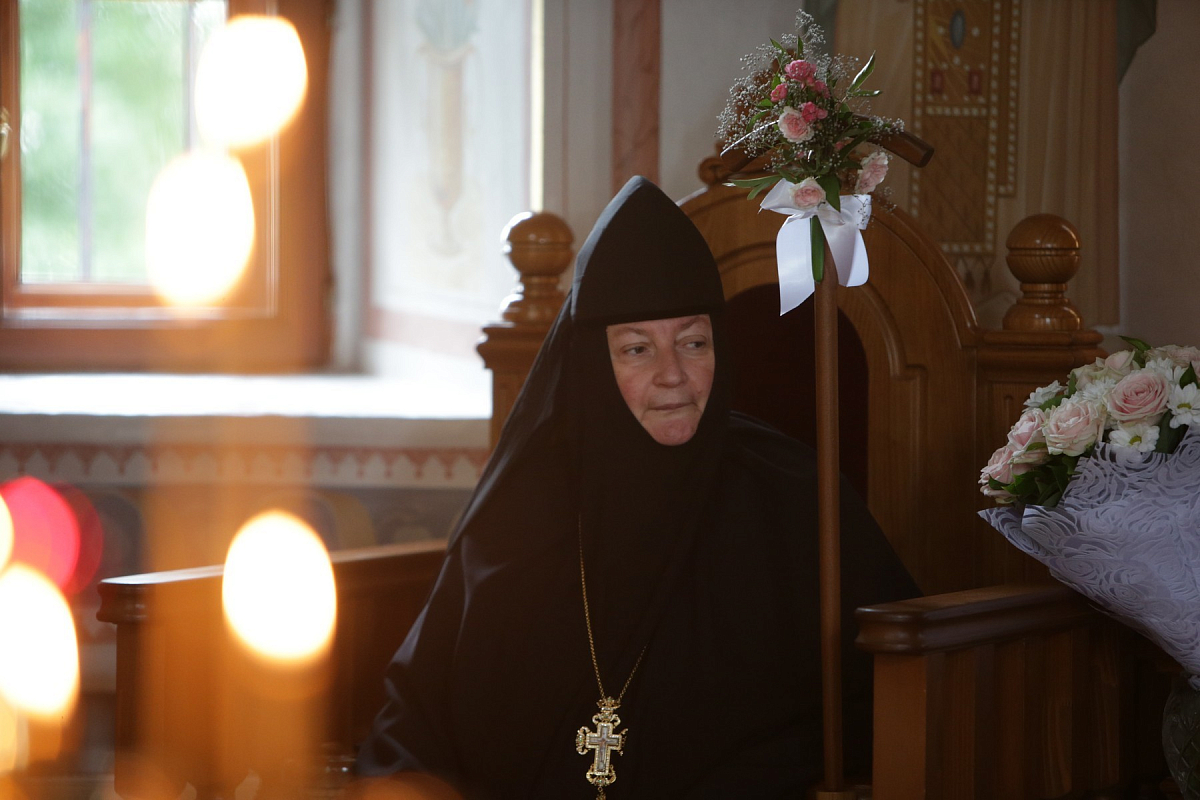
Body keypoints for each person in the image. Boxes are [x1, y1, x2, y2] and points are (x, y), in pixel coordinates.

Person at [355, 177, 918, 799]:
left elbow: (886, 693)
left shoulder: (791, 494)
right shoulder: (521, 508)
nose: (673, 374)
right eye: (636, 349)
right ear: (592, 368)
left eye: (693, 342)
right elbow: (420, 711)